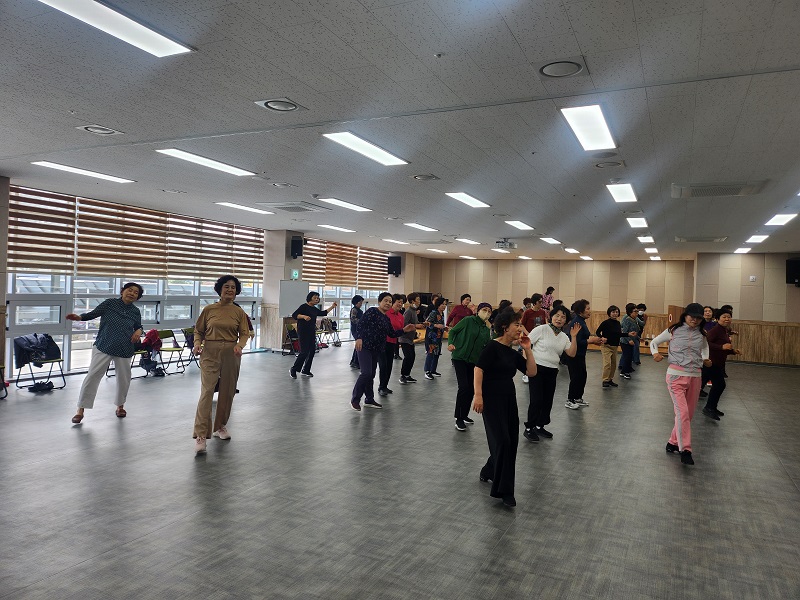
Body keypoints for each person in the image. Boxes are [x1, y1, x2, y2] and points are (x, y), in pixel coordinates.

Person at [472, 309, 537, 507]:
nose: (520, 328)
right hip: (491, 400)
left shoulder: (511, 352)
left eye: (520, 325)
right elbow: (478, 369)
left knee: (510, 442)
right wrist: (478, 395)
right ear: (504, 327)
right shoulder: (492, 347)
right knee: (502, 441)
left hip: (509, 400)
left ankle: (489, 469)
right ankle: (505, 491)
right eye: (516, 325)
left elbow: (531, 372)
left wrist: (528, 349)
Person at [67, 282, 143, 423]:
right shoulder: (110, 303)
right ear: (122, 291)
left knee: (124, 379)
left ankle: (120, 406)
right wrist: (79, 318)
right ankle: (80, 410)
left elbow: (139, 326)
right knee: (92, 376)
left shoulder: (135, 311)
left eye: (136, 292)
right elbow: (92, 314)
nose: (132, 293)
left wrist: (139, 331)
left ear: (137, 297)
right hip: (104, 345)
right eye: (130, 290)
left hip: (124, 348)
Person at [192, 275, 251, 455]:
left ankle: (220, 426)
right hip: (210, 351)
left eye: (233, 287)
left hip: (231, 353)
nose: (230, 290)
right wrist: (197, 343)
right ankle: (201, 435)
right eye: (227, 286)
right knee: (207, 391)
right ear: (220, 289)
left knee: (227, 391)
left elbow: (245, 333)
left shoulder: (239, 312)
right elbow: (198, 330)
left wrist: (240, 345)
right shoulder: (209, 309)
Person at [649, 303, 711, 466]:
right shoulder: (673, 330)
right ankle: (686, 450)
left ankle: (672, 442)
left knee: (687, 415)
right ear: (685, 315)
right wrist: (655, 353)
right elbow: (654, 342)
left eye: (698, 318)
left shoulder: (702, 333)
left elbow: (705, 348)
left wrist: (705, 358)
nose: (695, 320)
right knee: (682, 413)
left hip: (695, 376)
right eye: (692, 317)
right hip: (676, 376)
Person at [351, 292, 416, 411]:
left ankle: (369, 399)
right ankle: (355, 399)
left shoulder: (386, 319)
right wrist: (358, 338)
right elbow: (360, 325)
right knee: (366, 373)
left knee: (371, 374)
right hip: (365, 347)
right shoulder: (372, 311)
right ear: (379, 302)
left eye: (390, 301)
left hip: (376, 349)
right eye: (385, 300)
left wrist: (404, 330)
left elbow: (392, 333)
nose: (388, 303)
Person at [524, 306, 580, 442]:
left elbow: (571, 353)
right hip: (537, 369)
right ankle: (529, 428)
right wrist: (527, 364)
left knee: (547, 400)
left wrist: (573, 337)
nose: (559, 319)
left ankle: (539, 426)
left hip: (552, 370)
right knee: (536, 400)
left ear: (566, 321)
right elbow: (526, 345)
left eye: (563, 317)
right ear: (551, 316)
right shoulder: (541, 329)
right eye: (557, 315)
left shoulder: (564, 336)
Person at [448, 302, 492, 431]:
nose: (487, 313)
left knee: (471, 389)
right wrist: (450, 343)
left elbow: (487, 346)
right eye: (484, 310)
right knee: (464, 387)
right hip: (459, 357)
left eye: (489, 311)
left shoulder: (486, 329)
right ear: (478, 310)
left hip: (474, 361)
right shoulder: (468, 321)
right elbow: (453, 331)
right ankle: (459, 418)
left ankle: (464, 415)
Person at [702, 308, 742, 420]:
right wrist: (721, 347)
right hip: (711, 362)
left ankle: (711, 407)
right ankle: (709, 408)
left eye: (729, 317)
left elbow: (724, 347)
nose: (727, 319)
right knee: (719, 385)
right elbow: (706, 344)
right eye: (724, 317)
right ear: (717, 319)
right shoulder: (716, 330)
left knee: (719, 385)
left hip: (718, 363)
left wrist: (733, 351)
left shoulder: (724, 330)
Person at [565, 300, 604, 409]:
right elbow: (575, 341)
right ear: (580, 311)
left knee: (582, 376)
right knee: (575, 377)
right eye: (587, 309)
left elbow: (583, 338)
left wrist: (594, 341)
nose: (589, 311)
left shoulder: (581, 321)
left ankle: (578, 397)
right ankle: (570, 399)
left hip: (581, 354)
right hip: (574, 354)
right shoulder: (576, 323)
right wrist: (591, 341)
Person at [290, 291, 337, 378]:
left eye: (318, 298)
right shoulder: (304, 306)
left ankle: (306, 370)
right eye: (315, 297)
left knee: (312, 351)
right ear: (310, 298)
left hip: (311, 332)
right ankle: (294, 369)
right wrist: (304, 316)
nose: (317, 299)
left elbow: (323, 313)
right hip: (303, 332)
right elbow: (294, 315)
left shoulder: (314, 309)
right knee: (304, 352)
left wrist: (332, 307)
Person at [378, 294, 405, 396]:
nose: (400, 304)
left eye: (402, 302)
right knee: (383, 365)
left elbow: (399, 330)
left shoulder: (401, 316)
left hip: (392, 343)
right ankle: (381, 387)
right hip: (382, 342)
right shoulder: (386, 313)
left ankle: (385, 386)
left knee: (389, 365)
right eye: (398, 302)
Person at [398, 293, 425, 384]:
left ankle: (407, 375)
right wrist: (416, 325)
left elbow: (415, 322)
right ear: (412, 301)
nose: (419, 301)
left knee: (412, 357)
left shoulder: (414, 311)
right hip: (404, 338)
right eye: (418, 299)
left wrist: (422, 324)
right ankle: (403, 376)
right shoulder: (408, 311)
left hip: (410, 339)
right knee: (408, 357)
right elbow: (404, 324)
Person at [596, 305, 622, 388]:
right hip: (606, 346)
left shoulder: (618, 323)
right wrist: (602, 337)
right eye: (613, 312)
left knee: (613, 364)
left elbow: (619, 334)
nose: (615, 314)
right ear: (609, 313)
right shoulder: (605, 323)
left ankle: (610, 379)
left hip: (615, 346)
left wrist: (628, 334)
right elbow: (597, 332)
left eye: (616, 312)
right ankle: (605, 380)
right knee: (607, 364)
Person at [423, 297, 448, 379]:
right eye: (442, 304)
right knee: (431, 353)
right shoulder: (433, 313)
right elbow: (426, 323)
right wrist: (436, 325)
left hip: (439, 337)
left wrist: (444, 328)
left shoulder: (442, 314)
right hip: (432, 337)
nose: (444, 306)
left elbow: (440, 325)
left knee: (437, 353)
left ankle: (433, 370)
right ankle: (427, 371)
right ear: (438, 305)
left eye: (445, 304)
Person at [619, 303, 640, 380]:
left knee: (630, 356)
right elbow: (624, 332)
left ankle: (623, 371)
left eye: (637, 311)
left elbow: (634, 331)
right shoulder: (627, 320)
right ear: (630, 312)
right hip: (625, 342)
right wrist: (629, 340)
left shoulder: (634, 320)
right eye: (635, 311)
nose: (637, 313)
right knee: (627, 357)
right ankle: (626, 372)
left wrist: (638, 338)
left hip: (631, 342)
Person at [349, 295, 364, 369]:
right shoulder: (354, 310)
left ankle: (354, 361)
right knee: (359, 345)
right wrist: (362, 322)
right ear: (356, 302)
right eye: (360, 302)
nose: (361, 304)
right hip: (355, 330)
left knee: (358, 346)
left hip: (359, 329)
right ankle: (355, 362)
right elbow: (353, 319)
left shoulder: (359, 310)